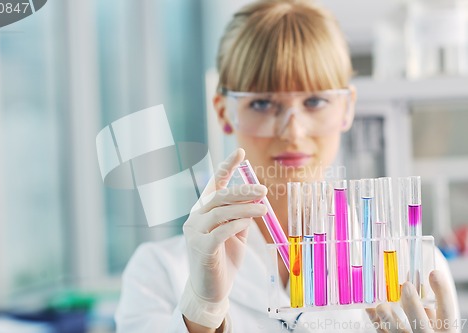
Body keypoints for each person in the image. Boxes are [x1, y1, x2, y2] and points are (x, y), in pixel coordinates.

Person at [115, 0, 460, 332]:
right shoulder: (159, 273)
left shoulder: (417, 267)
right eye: (264, 103)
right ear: (223, 111)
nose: (293, 131)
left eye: (314, 101)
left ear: (346, 108)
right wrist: (200, 313)